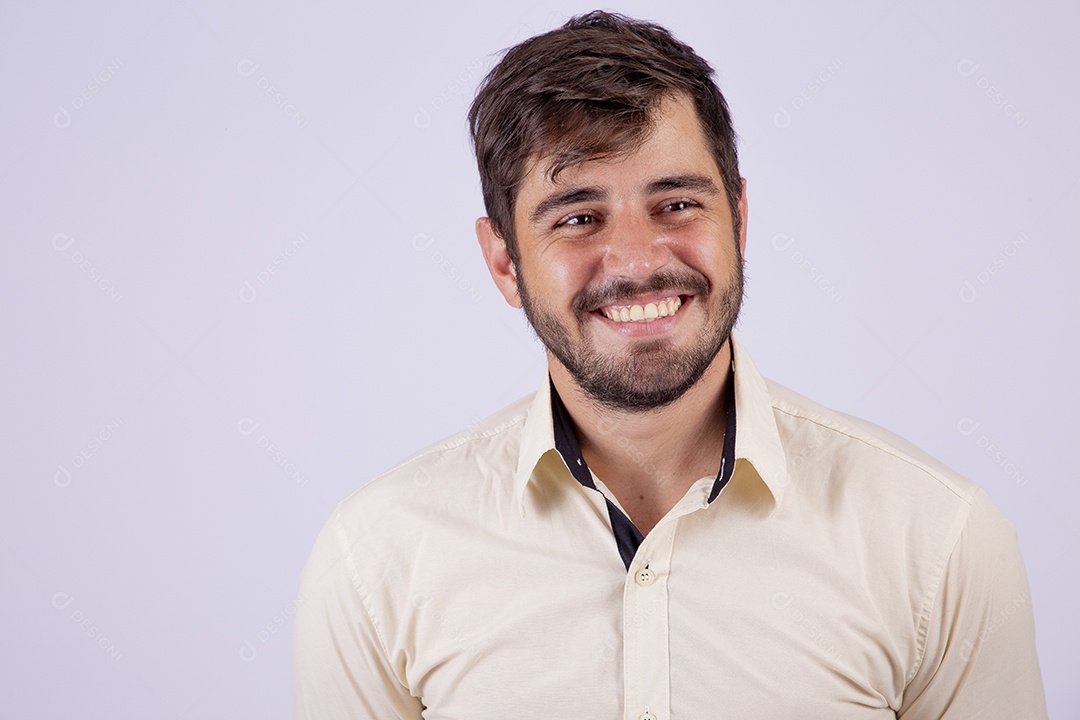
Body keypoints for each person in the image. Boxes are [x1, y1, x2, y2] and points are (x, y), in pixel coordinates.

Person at [292, 11, 1046, 719]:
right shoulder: (377, 559)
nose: (639, 261)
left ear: (739, 220)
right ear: (504, 263)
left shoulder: (939, 539)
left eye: (678, 204)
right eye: (579, 217)